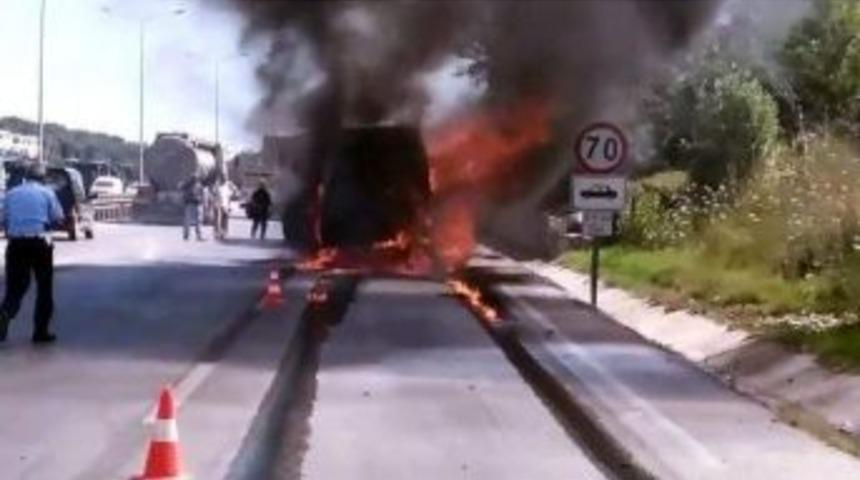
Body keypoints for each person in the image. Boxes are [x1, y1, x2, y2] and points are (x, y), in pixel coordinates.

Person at [0, 164, 65, 344]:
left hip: (16, 244)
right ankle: (40, 332)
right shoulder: (48, 193)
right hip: (40, 243)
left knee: (15, 287)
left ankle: (5, 313)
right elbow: (58, 217)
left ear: (26, 177)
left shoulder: (11, 194)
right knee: (44, 288)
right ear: (43, 179)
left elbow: (2, 219)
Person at [180, 174, 205, 241]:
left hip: (192, 204)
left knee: (191, 220)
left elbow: (200, 194)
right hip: (191, 203)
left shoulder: (193, 185)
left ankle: (188, 235)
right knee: (194, 221)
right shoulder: (189, 185)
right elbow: (200, 195)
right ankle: (194, 235)